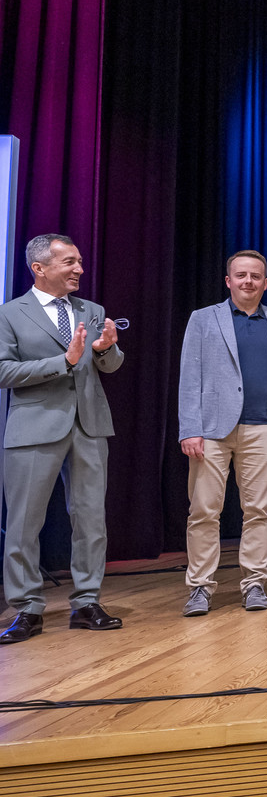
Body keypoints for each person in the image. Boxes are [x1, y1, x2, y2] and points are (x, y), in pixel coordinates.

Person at [0, 234, 124, 644]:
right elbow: (3, 371)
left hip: (89, 425)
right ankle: (27, 609)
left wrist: (105, 349)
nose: (79, 269)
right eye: (69, 262)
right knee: (24, 523)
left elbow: (109, 365)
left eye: (80, 261)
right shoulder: (10, 314)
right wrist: (63, 361)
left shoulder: (92, 310)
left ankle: (87, 602)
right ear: (39, 268)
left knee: (91, 519)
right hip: (34, 426)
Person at [177, 250, 267, 615]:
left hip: (264, 428)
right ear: (228, 281)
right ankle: (200, 587)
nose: (248, 281)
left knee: (260, 510)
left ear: (265, 282)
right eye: (241, 275)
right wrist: (189, 429)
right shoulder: (203, 318)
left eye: (255, 276)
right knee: (203, 511)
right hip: (211, 431)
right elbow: (189, 376)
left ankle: (254, 583)